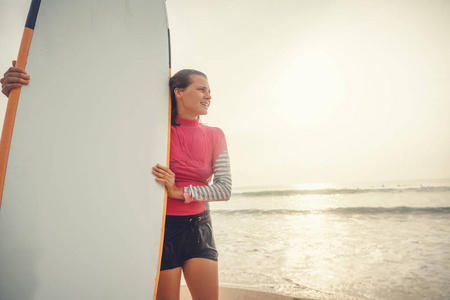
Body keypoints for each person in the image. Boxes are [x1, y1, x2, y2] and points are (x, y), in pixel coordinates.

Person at [1, 64, 232, 300]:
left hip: (199, 227)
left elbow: (225, 189)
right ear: (178, 92)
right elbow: (85, 118)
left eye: (209, 90)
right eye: (202, 89)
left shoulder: (215, 134)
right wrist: (20, 93)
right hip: (160, 229)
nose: (209, 95)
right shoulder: (153, 131)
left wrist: (179, 191)